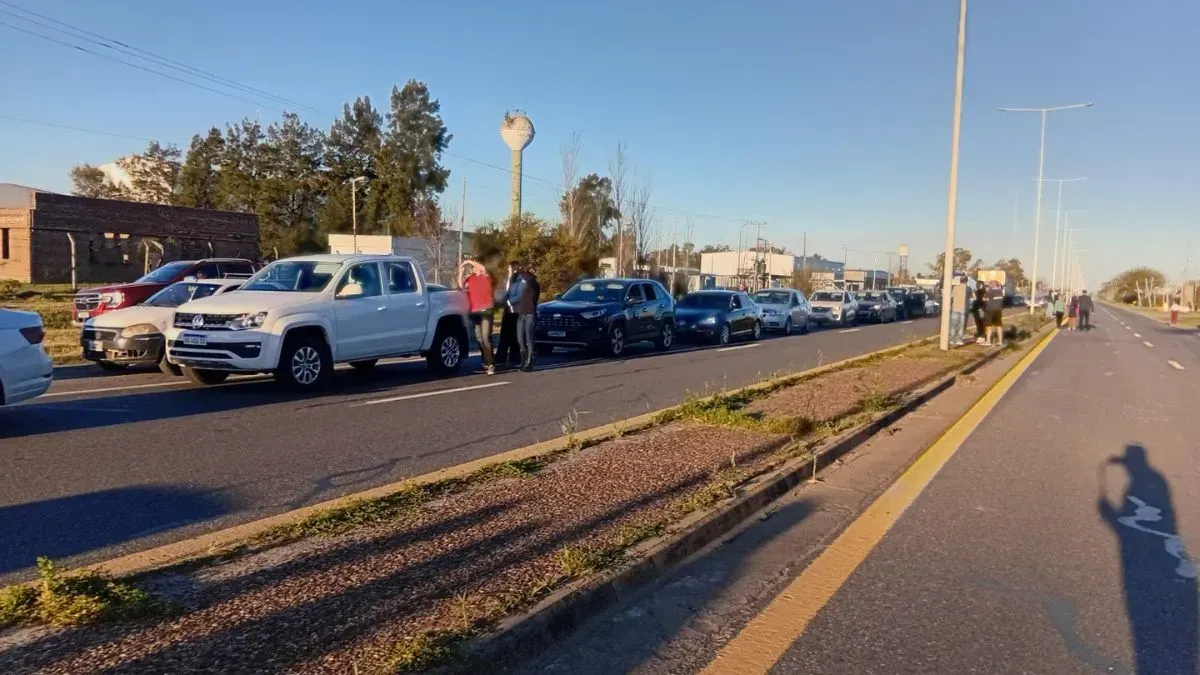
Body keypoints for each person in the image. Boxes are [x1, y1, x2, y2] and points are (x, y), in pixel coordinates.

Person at [458, 257, 496, 375]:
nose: (473, 268)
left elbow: (483, 268)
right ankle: (485, 360)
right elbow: (461, 286)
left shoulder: (486, 276)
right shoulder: (471, 278)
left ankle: (490, 364)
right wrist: (461, 272)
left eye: (474, 266)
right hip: (475, 311)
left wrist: (469, 261)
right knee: (479, 338)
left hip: (486, 310)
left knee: (485, 337)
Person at [513, 264, 541, 372]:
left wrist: (520, 269)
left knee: (529, 338)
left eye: (533, 270)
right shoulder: (522, 284)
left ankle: (529, 363)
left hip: (530, 313)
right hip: (521, 313)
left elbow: (527, 277)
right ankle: (523, 361)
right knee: (520, 339)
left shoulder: (533, 283)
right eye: (530, 269)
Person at [495, 260, 522, 369]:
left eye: (510, 268)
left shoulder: (520, 280)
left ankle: (515, 358)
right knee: (504, 333)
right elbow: (507, 292)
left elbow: (520, 294)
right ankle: (500, 357)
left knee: (514, 334)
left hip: (516, 309)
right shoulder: (510, 279)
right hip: (507, 309)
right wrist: (501, 301)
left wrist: (509, 302)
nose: (508, 270)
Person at [948, 274, 968, 346]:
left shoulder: (955, 287)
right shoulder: (968, 288)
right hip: (963, 309)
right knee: (961, 325)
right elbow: (973, 297)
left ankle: (952, 339)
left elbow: (951, 297)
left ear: (960, 281)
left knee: (953, 325)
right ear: (966, 281)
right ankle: (959, 339)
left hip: (955, 308)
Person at [984, 279, 1005, 346]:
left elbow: (984, 299)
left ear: (992, 285)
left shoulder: (990, 292)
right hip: (998, 310)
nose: (989, 286)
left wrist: (987, 290)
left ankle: (988, 341)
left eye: (989, 284)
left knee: (988, 326)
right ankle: (1000, 341)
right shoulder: (1000, 291)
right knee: (999, 325)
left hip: (990, 310)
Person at [971, 279, 987, 344]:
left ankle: (982, 335)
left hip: (981, 309)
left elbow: (983, 301)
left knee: (982, 322)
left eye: (978, 284)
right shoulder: (977, 291)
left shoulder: (984, 292)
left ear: (982, 285)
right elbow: (976, 300)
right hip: (976, 309)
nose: (977, 285)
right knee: (978, 322)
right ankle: (979, 333)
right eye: (977, 284)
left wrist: (981, 308)